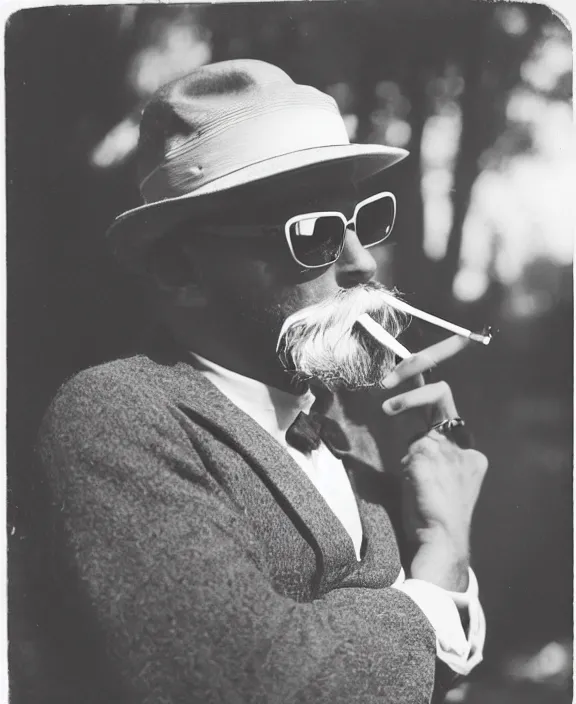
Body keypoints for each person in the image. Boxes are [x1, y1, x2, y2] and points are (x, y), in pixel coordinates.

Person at [37, 59, 488, 704]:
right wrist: (439, 566)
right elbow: (251, 683)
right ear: (178, 268)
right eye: (314, 233)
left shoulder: (349, 424)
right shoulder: (117, 413)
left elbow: (434, 685)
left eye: (364, 222)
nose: (362, 264)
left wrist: (443, 535)